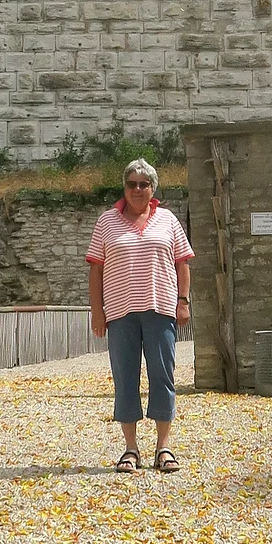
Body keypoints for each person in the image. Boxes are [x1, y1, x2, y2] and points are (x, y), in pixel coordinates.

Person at [86, 158, 194, 473]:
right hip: (120, 312)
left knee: (163, 376)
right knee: (125, 378)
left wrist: (183, 302)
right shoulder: (107, 221)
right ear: (124, 187)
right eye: (132, 184)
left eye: (143, 184)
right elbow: (96, 269)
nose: (137, 189)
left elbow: (182, 263)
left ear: (152, 188)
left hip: (161, 309)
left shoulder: (168, 220)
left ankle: (164, 447)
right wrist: (97, 311)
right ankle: (130, 448)